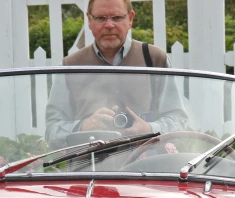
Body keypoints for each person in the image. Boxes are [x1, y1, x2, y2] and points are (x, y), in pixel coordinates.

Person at [45, 0, 187, 149]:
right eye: (100, 18)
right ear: (89, 20)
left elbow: (178, 120)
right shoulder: (70, 66)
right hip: (88, 168)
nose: (109, 25)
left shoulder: (154, 59)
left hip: (145, 167)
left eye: (117, 17)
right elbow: (51, 131)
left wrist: (149, 129)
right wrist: (83, 126)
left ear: (130, 19)